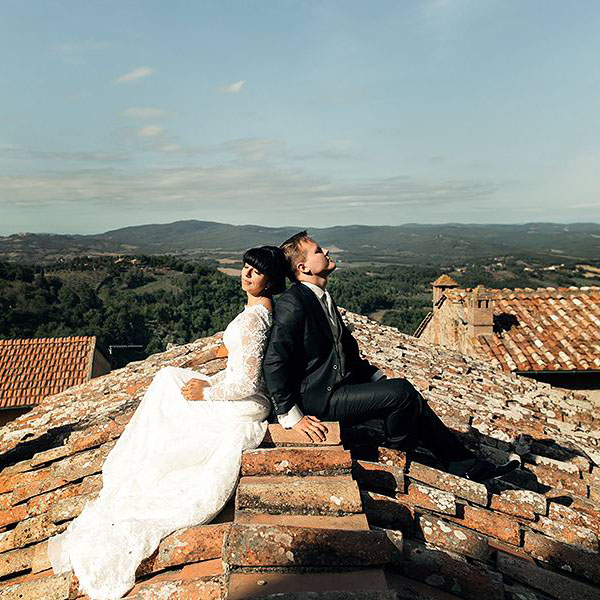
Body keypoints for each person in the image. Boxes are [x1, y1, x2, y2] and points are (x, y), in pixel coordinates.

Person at [47, 246, 287, 600]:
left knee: (167, 387)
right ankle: (146, 454)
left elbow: (248, 384)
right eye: (245, 267)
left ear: (270, 280)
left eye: (256, 271)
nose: (246, 275)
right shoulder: (259, 310)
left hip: (241, 403)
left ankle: (143, 459)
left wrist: (206, 391)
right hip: (237, 395)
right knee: (168, 377)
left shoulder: (255, 319)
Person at [263, 231, 519, 482]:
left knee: (409, 396)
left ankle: (466, 465)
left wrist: (377, 377)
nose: (326, 251)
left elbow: (345, 352)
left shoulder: (322, 297)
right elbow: (275, 361)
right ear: (303, 267)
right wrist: (292, 416)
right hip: (320, 400)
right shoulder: (293, 303)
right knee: (402, 393)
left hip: (340, 387)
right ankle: (396, 457)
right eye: (318, 250)